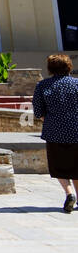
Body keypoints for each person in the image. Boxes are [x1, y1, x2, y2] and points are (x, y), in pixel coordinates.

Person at [31, 53, 78, 212]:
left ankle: (69, 193)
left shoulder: (42, 85)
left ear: (50, 68)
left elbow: (38, 112)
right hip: (76, 130)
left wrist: (51, 120)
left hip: (54, 131)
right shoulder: (77, 84)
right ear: (68, 66)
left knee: (59, 165)